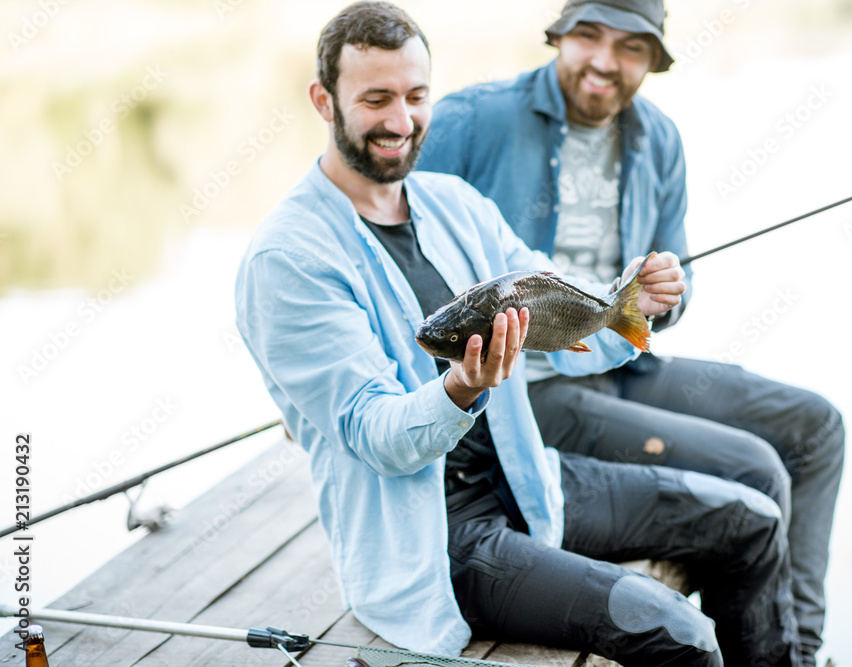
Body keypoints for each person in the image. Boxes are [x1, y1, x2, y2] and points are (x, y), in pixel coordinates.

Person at [235, 2, 802, 665]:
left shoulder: (457, 203)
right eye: (376, 98)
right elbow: (372, 433)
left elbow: (563, 313)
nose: (401, 120)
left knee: (752, 521)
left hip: (528, 474)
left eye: (416, 96)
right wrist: (458, 389)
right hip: (437, 538)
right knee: (678, 632)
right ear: (324, 101)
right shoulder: (288, 258)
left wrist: (634, 300)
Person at [416, 1, 846, 665]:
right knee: (756, 470)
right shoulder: (471, 119)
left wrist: (663, 290)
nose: (605, 62)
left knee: (816, 426)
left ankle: (799, 651)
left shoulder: (660, 138)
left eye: (631, 47)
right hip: (528, 392)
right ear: (559, 36)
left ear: (653, 59)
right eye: (588, 36)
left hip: (618, 359)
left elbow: (672, 287)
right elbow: (387, 226)